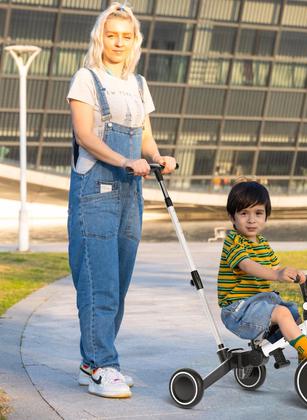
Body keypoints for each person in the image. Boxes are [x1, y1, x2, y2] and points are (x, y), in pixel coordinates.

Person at [67, 2, 176, 399]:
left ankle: (90, 362)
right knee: (100, 285)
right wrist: (126, 161)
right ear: (101, 37)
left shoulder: (139, 83)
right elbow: (86, 136)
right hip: (95, 192)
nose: (118, 41)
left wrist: (158, 157)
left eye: (125, 36)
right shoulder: (86, 79)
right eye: (111, 34)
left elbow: (145, 137)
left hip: (132, 193)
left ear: (134, 41)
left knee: (121, 282)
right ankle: (103, 365)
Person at [217, 180, 307, 378]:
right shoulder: (233, 242)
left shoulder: (263, 243)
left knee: (293, 313)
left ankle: (306, 358)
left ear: (266, 216)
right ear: (232, 216)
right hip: (238, 310)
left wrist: (294, 274)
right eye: (244, 214)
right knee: (282, 313)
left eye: (258, 213)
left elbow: (275, 267)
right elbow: (248, 265)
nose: (251, 220)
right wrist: (276, 275)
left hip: (259, 304)